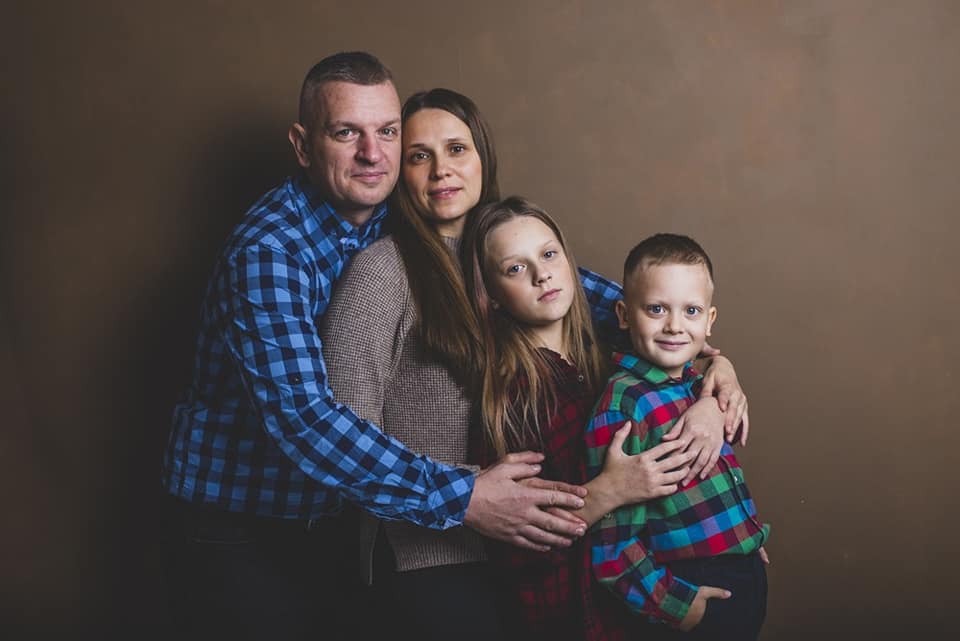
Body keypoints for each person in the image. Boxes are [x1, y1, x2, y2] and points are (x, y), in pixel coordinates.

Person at [161, 52, 589, 641]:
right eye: (346, 133)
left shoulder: (401, 210)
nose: (373, 153)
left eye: (388, 132)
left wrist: (694, 351)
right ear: (303, 145)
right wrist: (464, 496)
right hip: (243, 520)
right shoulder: (270, 252)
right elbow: (307, 419)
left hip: (340, 514)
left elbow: (552, 281)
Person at [321, 89, 749, 640]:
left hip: (556, 548)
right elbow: (342, 433)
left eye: (457, 148)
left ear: (483, 156)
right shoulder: (382, 273)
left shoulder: (518, 250)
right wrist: (464, 495)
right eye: (419, 155)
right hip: (433, 553)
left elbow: (658, 317)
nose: (442, 169)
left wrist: (714, 383)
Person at [586, 233, 770, 641]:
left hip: (740, 570)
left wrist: (743, 537)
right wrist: (675, 605)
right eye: (656, 309)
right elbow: (612, 542)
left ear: (710, 320)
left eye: (691, 311)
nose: (674, 325)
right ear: (624, 315)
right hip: (687, 583)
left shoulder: (699, 387)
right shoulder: (625, 405)